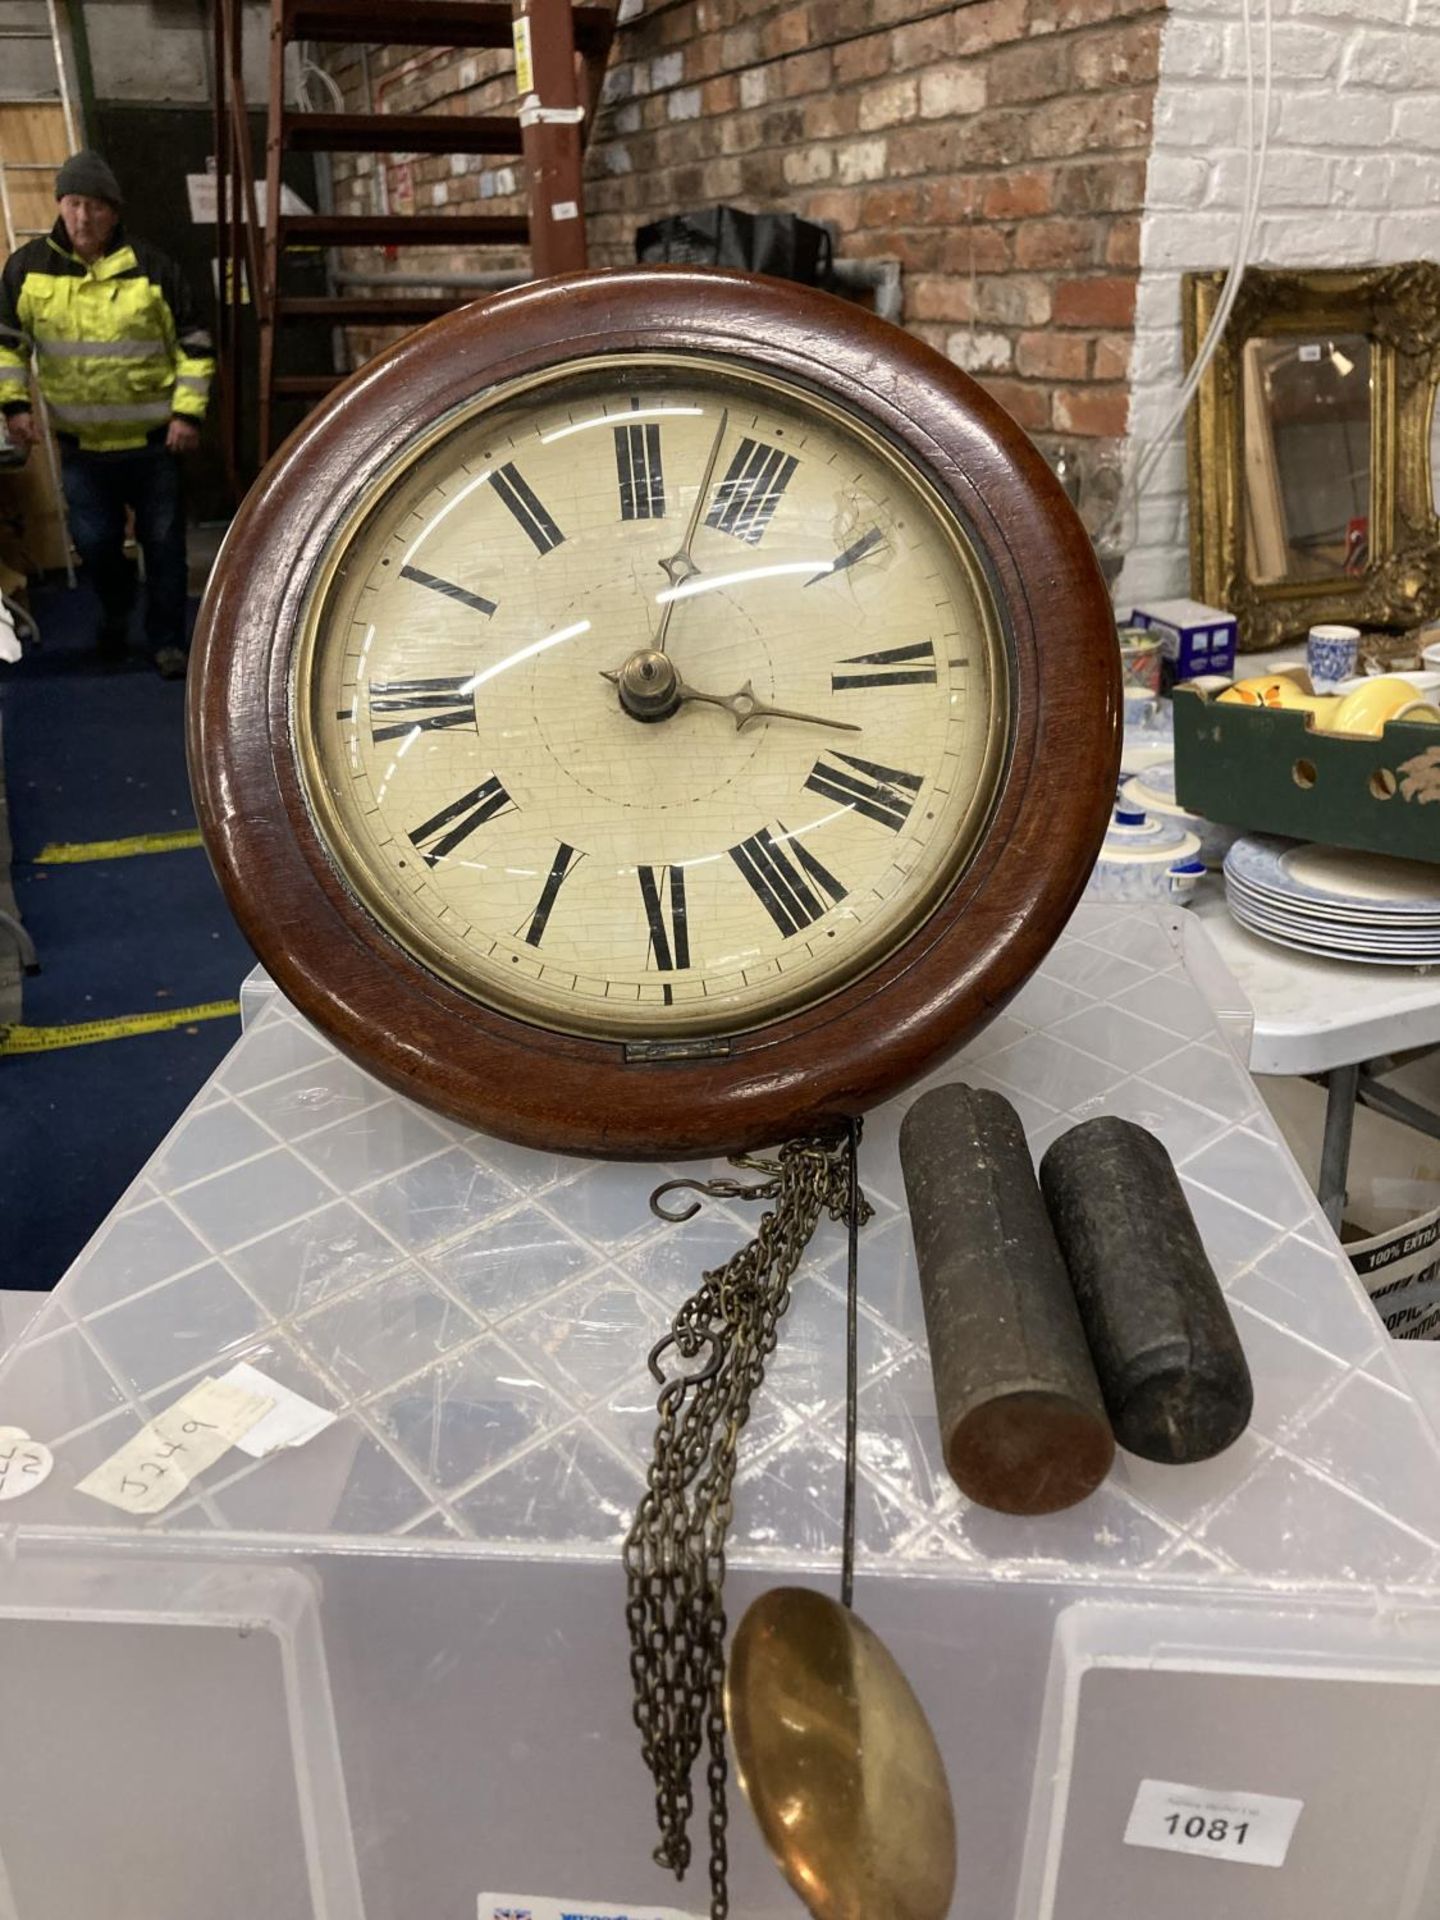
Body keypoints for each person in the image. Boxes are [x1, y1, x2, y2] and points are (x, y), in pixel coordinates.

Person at [0, 151, 214, 678]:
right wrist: (15, 406)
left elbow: (196, 344)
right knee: (96, 547)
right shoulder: (27, 270)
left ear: (114, 213)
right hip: (81, 447)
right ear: (60, 206)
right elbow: (7, 345)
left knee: (163, 550)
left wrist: (188, 416)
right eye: (74, 204)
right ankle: (116, 613)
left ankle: (167, 642)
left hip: (153, 444)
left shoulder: (153, 268)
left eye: (95, 207)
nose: (83, 218)